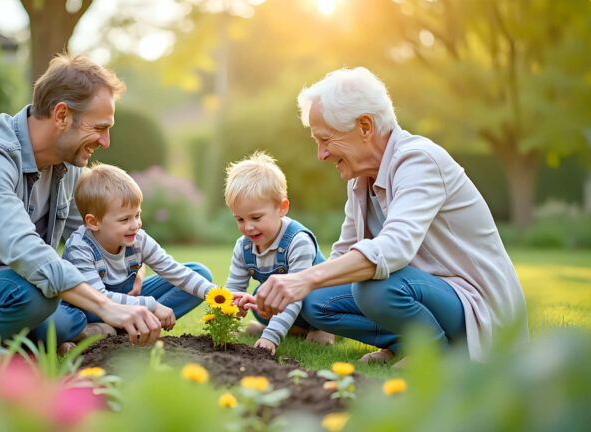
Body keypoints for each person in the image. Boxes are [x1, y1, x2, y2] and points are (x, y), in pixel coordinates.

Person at [252, 67, 528, 364]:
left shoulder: (419, 160)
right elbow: (343, 254)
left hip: (477, 307)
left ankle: (436, 357)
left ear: (365, 127)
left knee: (374, 288)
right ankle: (405, 345)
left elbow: (394, 249)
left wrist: (305, 278)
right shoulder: (360, 180)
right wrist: (293, 290)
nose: (321, 154)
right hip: (421, 294)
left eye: (326, 140)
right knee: (315, 300)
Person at [0, 54, 161, 346]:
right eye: (100, 128)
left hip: (21, 291)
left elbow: (99, 236)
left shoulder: (68, 167)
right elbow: (23, 249)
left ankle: (58, 335)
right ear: (62, 115)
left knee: (164, 290)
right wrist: (107, 307)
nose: (106, 142)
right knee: (36, 297)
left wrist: (135, 265)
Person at [50, 163, 215, 351]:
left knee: (200, 273)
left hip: (128, 301)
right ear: (93, 222)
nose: (135, 225)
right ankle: (94, 332)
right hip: (91, 310)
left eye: (137, 215)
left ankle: (126, 330)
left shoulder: (137, 238)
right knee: (58, 319)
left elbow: (173, 270)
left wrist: (217, 295)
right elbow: (99, 299)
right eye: (125, 219)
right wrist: (151, 306)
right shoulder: (80, 248)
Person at [223, 151, 337, 355]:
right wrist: (227, 324)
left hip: (317, 303)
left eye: (256, 218)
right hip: (288, 306)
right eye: (240, 219)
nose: (248, 227)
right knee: (259, 296)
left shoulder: (298, 242)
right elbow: (233, 288)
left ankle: (322, 329)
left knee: (313, 303)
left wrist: (270, 338)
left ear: (282, 208)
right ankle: (294, 329)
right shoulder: (244, 246)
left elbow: (294, 297)